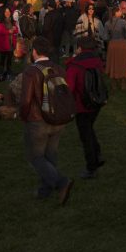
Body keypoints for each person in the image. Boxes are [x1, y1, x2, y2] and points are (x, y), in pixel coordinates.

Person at [19, 37, 74, 205]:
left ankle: (61, 182)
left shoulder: (31, 71)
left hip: (38, 120)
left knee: (35, 156)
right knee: (50, 155)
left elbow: (26, 100)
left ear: (34, 51)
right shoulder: (58, 67)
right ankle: (46, 189)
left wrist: (22, 116)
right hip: (58, 118)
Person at [66, 37, 106, 179]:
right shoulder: (97, 61)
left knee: (85, 135)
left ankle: (91, 166)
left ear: (80, 48)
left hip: (81, 104)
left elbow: (69, 87)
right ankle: (97, 154)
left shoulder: (75, 65)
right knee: (89, 128)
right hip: (96, 102)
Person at [104, 7, 126, 91]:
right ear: (116, 13)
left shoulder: (107, 23)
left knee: (113, 63)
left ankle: (113, 84)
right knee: (123, 63)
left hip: (112, 45)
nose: (121, 12)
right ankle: (123, 83)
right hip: (122, 44)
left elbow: (105, 37)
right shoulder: (123, 22)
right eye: (120, 11)